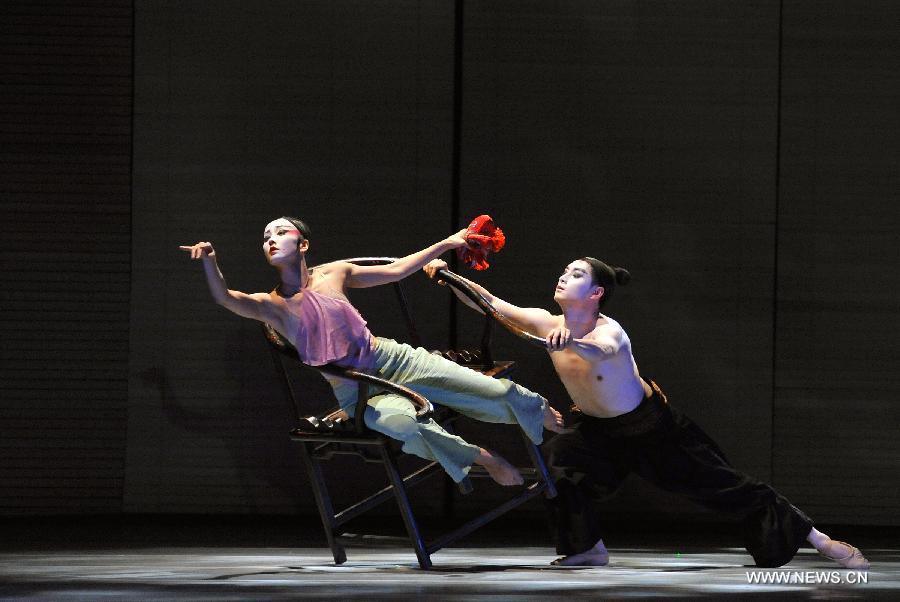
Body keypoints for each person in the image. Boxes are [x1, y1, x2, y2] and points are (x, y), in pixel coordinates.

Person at [424, 256, 869, 569]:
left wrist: (570, 343)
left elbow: (601, 351)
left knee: (724, 486)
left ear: (596, 293)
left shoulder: (607, 330)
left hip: (651, 429)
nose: (563, 277)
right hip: (596, 431)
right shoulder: (547, 322)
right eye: (564, 271)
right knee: (560, 472)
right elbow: (493, 305)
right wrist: (447, 277)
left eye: (575, 274)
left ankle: (820, 541)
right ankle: (588, 548)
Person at [180, 217, 567, 487]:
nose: (271, 239)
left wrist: (448, 243)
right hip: (358, 390)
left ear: (303, 243)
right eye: (266, 236)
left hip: (392, 360)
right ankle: (481, 457)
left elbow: (397, 270)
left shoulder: (335, 273)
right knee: (404, 426)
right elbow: (226, 298)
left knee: (492, 390)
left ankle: (539, 411)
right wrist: (211, 263)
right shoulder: (271, 304)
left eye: (281, 232)